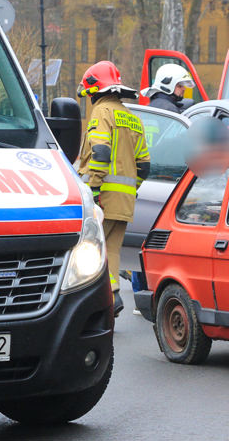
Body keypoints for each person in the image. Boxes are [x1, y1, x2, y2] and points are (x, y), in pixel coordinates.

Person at [78, 61, 150, 317]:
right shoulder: (132, 118)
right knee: (111, 251)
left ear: (95, 91)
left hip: (102, 198)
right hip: (124, 201)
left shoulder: (101, 112)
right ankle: (113, 297)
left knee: (88, 252)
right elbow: (144, 165)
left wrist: (94, 190)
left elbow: (100, 152)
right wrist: (129, 191)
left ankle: (97, 305)